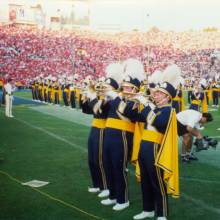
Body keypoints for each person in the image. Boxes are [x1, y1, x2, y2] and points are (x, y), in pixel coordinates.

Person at [132, 64, 181, 220]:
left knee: (157, 182)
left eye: (160, 93)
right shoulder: (154, 108)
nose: (156, 95)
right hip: (145, 146)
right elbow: (138, 118)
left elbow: (157, 122)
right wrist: (136, 103)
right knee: (145, 181)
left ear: (168, 97)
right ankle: (148, 209)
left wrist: (147, 105)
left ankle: (162, 213)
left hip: (155, 148)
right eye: (157, 92)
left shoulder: (169, 110)